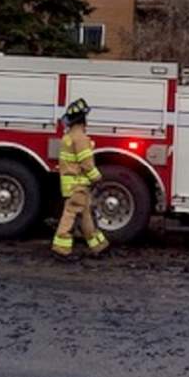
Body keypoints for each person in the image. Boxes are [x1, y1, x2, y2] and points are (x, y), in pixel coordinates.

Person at [52, 98, 109, 259]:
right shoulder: (81, 138)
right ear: (83, 120)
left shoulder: (69, 137)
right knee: (70, 214)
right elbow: (86, 164)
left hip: (71, 184)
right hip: (78, 184)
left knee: (85, 215)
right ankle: (61, 248)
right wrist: (97, 178)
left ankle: (99, 246)